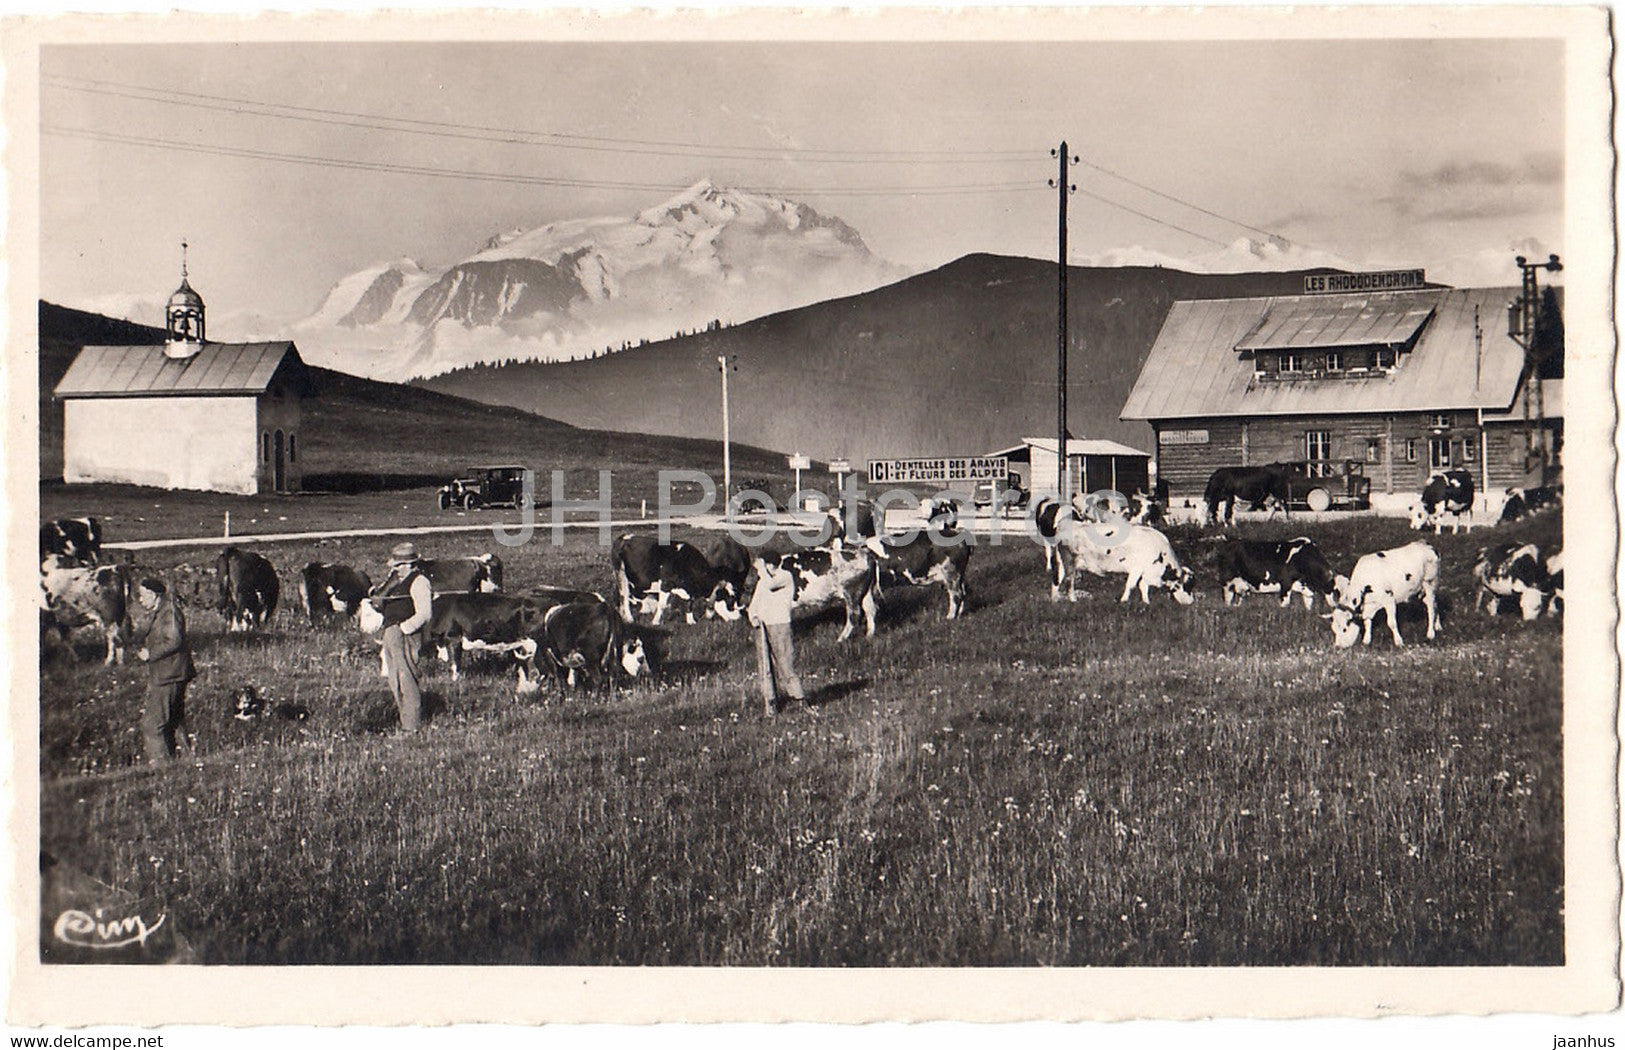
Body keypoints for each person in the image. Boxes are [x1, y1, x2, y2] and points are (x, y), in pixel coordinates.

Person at [372, 542, 434, 733]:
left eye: (398, 566)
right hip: (392, 633)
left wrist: (405, 628)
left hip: (405, 634)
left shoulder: (419, 581)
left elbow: (425, 613)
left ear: (409, 564)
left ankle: (411, 727)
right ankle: (405, 721)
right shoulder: (398, 582)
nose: (395, 569)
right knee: (395, 680)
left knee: (406, 679)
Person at [134, 578, 194, 765]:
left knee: (152, 725)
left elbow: (174, 640)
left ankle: (163, 769)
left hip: (169, 675)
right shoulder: (163, 612)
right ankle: (186, 762)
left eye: (142, 596)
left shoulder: (169, 612)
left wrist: (150, 654)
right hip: (171, 673)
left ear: (154, 595)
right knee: (174, 721)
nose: (140, 600)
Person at [747, 555, 805, 716]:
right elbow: (755, 601)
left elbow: (770, 586)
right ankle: (771, 702)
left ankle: (799, 699)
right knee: (765, 666)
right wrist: (753, 616)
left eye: (765, 564)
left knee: (785, 663)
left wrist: (761, 570)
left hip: (780, 625)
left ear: (771, 564)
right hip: (762, 626)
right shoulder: (763, 580)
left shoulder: (784, 577)